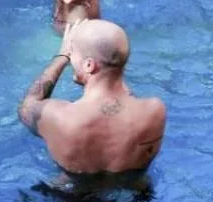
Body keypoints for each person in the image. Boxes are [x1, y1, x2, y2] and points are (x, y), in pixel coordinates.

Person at [17, 18, 167, 176]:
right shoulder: (155, 111)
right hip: (138, 189)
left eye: (71, 53)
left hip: (72, 190)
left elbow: (26, 107)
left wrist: (61, 57)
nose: (70, 58)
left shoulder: (59, 117)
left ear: (89, 65)